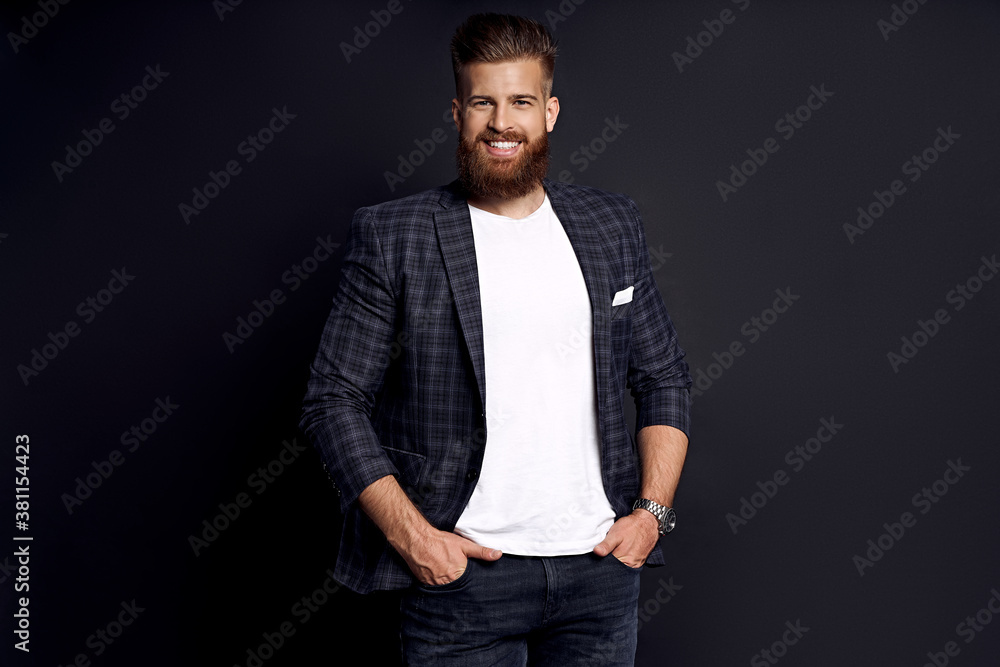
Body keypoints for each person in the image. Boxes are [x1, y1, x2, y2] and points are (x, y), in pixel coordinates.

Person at [300, 12, 691, 666]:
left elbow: (663, 377)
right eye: (483, 101)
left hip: (600, 574)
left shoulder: (611, 223)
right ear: (458, 112)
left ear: (550, 111)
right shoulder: (396, 234)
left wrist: (652, 514)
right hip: (464, 579)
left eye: (520, 102)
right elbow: (332, 400)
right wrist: (415, 538)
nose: (501, 122)